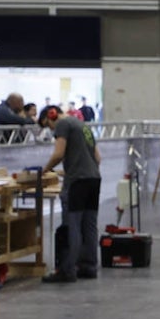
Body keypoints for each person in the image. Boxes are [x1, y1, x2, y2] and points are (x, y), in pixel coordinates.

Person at [41, 107, 101, 283]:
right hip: (93, 180)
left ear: (51, 115)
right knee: (89, 225)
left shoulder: (63, 124)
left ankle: (67, 270)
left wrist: (45, 170)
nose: (52, 130)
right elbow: (97, 158)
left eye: (48, 125)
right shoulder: (83, 126)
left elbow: (59, 153)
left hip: (76, 182)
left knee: (71, 225)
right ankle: (89, 266)